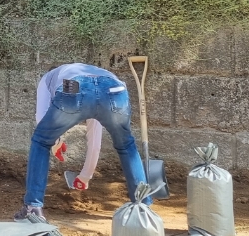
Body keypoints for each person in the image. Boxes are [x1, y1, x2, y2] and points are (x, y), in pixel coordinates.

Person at [16, 63, 149, 222]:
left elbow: (41, 119)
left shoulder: (47, 79)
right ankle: (144, 208)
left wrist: (55, 142)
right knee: (126, 146)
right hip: (114, 90)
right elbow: (95, 140)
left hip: (75, 88)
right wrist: (86, 175)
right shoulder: (94, 72)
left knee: (41, 141)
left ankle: (33, 208)